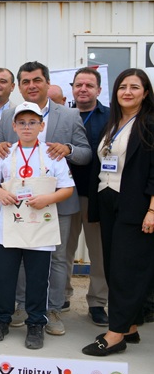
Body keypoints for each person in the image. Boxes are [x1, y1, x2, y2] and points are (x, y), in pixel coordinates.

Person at [0, 61, 91, 336]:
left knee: (57, 258)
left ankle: (53, 309)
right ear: (19, 87)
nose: (32, 85)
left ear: (48, 83)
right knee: (23, 255)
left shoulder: (69, 115)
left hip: (58, 201)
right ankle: (24, 306)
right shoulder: (9, 115)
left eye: (37, 80)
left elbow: (86, 153)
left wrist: (68, 149)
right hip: (20, 204)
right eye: (26, 81)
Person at [0, 102, 74, 350]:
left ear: (41, 126)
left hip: (39, 227)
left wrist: (48, 199)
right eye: (21, 123)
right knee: (4, 277)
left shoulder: (51, 154)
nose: (27, 127)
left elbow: (67, 187)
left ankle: (36, 323)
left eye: (32, 122)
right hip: (9, 228)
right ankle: (0, 320)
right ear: (14, 126)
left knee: (37, 279)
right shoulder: (5, 153)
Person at [82, 68, 154, 356]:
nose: (127, 92)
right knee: (114, 265)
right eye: (123, 86)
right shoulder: (112, 123)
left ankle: (115, 335)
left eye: (134, 87)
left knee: (126, 269)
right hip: (108, 200)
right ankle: (130, 326)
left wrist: (152, 209)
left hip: (136, 204)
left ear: (145, 93)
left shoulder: (149, 123)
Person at [64, 67, 109, 326]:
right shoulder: (63, 116)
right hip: (65, 194)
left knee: (98, 252)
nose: (83, 89)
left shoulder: (111, 117)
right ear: (72, 88)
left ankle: (97, 302)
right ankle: (61, 295)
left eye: (89, 85)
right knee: (63, 250)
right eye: (78, 85)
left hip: (96, 195)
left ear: (99, 90)